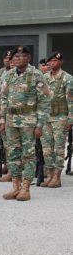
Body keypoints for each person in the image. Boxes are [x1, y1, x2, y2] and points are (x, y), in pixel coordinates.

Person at [0, 45, 50, 201]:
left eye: (22, 56)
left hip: (29, 121)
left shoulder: (36, 75)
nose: (18, 59)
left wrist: (40, 124)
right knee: (12, 154)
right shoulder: (8, 75)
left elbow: (44, 101)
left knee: (28, 154)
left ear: (29, 58)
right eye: (16, 57)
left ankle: (26, 188)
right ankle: (16, 186)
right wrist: (2, 119)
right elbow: (3, 99)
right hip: (11, 121)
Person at [39, 52, 73, 187]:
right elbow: (39, 97)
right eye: (50, 61)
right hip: (46, 118)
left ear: (61, 62)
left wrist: (70, 119)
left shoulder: (67, 78)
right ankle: (50, 174)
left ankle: (57, 177)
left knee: (58, 147)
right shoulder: (43, 78)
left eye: (55, 61)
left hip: (60, 117)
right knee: (47, 148)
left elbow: (71, 101)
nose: (52, 63)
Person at [0, 50, 14, 181]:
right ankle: (7, 164)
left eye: (10, 58)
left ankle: (13, 170)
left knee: (11, 143)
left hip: (12, 114)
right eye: (6, 58)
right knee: (4, 142)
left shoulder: (19, 75)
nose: (8, 60)